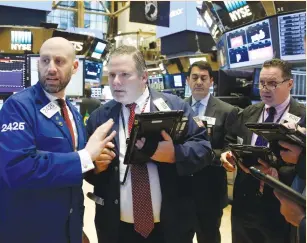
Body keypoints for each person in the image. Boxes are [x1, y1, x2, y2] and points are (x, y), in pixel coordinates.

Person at [85, 45, 214, 243]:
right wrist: (95, 167)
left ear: (144, 77)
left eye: (124, 74)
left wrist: (175, 155)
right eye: (111, 75)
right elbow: (87, 168)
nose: (116, 82)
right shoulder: (100, 117)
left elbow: (203, 149)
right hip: (116, 228)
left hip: (170, 227)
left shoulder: (175, 107)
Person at [0, 37, 116, 243]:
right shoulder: (18, 107)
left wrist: (94, 164)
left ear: (75, 67)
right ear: (37, 64)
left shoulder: (72, 112)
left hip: (66, 230)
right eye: (45, 61)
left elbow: (75, 167)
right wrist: (86, 156)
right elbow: (18, 169)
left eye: (59, 61)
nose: (51, 68)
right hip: (28, 231)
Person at [220, 58, 306, 243]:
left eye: (272, 83)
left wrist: (279, 172)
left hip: (281, 206)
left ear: (290, 84)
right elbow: (232, 140)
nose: (265, 88)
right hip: (244, 204)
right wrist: (227, 154)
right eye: (262, 83)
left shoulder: (303, 117)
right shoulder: (249, 112)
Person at [185, 61, 239, 243]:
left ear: (211, 82)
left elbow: (228, 148)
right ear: (187, 81)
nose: (198, 82)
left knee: (208, 238)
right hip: (180, 189)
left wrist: (196, 154)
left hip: (210, 190)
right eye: (194, 77)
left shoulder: (226, 111)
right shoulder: (177, 108)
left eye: (203, 78)